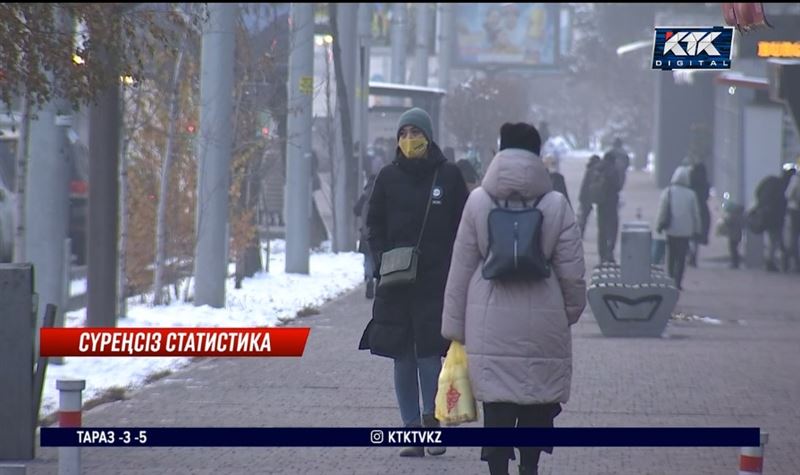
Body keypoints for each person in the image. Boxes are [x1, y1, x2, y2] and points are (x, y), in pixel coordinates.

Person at [442, 122, 586, 475]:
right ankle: (530, 468)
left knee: (498, 405)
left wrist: (454, 327)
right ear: (537, 155)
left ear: (500, 151)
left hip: (488, 319)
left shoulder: (478, 200)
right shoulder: (556, 203)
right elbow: (572, 271)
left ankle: (498, 469)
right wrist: (567, 312)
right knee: (537, 401)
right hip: (544, 320)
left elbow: (461, 266)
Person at [358, 107, 469, 457]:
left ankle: (431, 424)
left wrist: (458, 270)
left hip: (437, 282)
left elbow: (464, 228)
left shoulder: (448, 176)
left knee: (429, 354)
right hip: (395, 282)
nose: (410, 139)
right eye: (404, 133)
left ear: (429, 135)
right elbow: (372, 223)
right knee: (401, 356)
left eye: (416, 132)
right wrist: (379, 261)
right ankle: (410, 429)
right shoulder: (387, 177)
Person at [656, 166, 701, 290]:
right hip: (686, 231)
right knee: (681, 257)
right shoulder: (691, 194)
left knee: (671, 255)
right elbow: (696, 214)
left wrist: (659, 224)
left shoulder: (668, 191)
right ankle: (678, 281)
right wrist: (697, 229)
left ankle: (670, 278)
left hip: (671, 229)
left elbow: (662, 210)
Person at [754, 167, 795, 272]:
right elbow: (781, 206)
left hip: (766, 215)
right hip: (775, 218)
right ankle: (770, 262)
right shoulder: (782, 188)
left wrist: (761, 205)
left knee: (774, 240)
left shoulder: (771, 181)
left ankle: (771, 260)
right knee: (775, 240)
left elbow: (758, 191)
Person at [594, 152, 622, 263]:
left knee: (601, 230)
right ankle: (609, 253)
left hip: (600, 203)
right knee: (612, 229)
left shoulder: (597, 168)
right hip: (611, 204)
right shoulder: (613, 170)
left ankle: (601, 254)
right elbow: (618, 186)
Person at [687, 160, 711, 267]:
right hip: (702, 209)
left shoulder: (690, 182)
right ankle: (694, 256)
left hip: (690, 209)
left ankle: (689, 254)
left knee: (688, 233)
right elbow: (706, 197)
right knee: (697, 235)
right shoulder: (706, 184)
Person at [577, 154, 601, 237]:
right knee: (599, 218)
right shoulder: (598, 171)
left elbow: (584, 185)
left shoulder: (590, 170)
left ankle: (581, 233)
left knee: (583, 217)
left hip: (586, 197)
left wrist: (581, 197)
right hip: (594, 197)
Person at [786, 161, 800, 272]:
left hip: (795, 210)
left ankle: (793, 263)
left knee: (793, 237)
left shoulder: (796, 179)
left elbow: (788, 194)